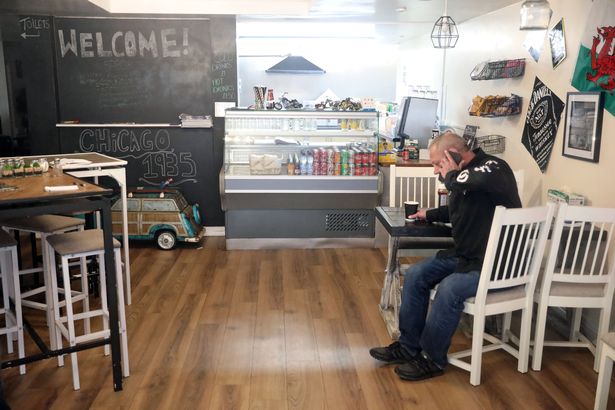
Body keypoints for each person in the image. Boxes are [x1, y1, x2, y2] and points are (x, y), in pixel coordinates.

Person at [370, 131, 521, 381]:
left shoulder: (494, 167)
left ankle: (432, 358)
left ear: (454, 155)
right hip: (469, 256)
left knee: (449, 289)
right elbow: (460, 208)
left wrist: (450, 175)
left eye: (438, 164)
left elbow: (470, 182)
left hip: (496, 263)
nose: (435, 171)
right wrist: (428, 214)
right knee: (417, 274)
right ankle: (408, 346)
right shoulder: (465, 178)